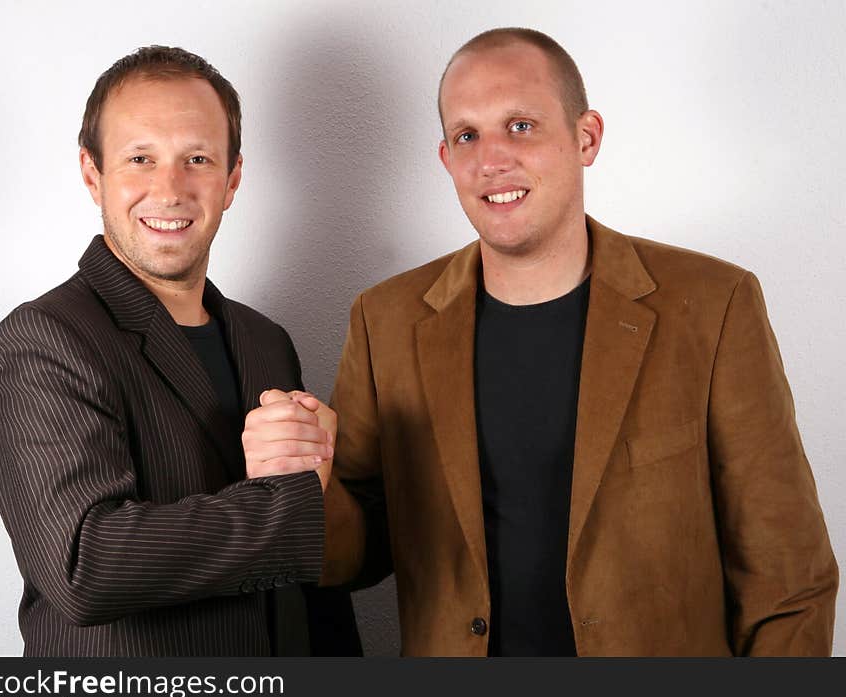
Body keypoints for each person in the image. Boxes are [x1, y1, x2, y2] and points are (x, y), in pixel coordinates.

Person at [309, 27, 839, 655]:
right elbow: (354, 558)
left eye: (522, 126)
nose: (492, 160)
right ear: (446, 157)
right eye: (467, 135)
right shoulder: (385, 320)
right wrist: (307, 489)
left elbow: (789, 582)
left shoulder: (714, 305)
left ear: (586, 137)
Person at [0, 46, 360, 656]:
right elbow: (84, 567)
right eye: (140, 158)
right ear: (92, 174)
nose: (170, 188)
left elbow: (303, 593)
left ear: (232, 178)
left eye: (197, 159)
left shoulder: (268, 341)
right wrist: (292, 504)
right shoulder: (43, 340)